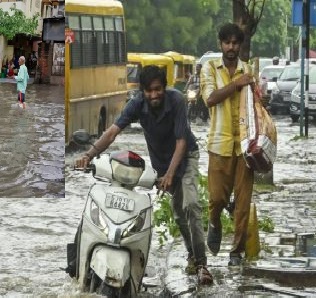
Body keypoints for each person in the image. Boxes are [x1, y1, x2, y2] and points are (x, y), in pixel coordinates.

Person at [73, 65, 213, 286]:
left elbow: (181, 142)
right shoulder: (137, 103)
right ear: (143, 91)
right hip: (161, 163)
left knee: (191, 205)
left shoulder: (176, 101)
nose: (154, 95)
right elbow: (112, 132)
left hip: (185, 158)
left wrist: (169, 174)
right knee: (178, 214)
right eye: (149, 91)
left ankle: (202, 264)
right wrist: (88, 155)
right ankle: (191, 254)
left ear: (164, 88)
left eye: (157, 89)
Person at [201, 23, 255, 267]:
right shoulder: (210, 68)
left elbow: (256, 103)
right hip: (220, 144)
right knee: (217, 198)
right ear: (221, 44)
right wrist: (236, 84)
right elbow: (211, 99)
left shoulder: (249, 70)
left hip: (245, 146)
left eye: (235, 43)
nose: (231, 47)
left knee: (243, 203)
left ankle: (236, 252)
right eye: (227, 43)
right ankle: (214, 221)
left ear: (240, 45)